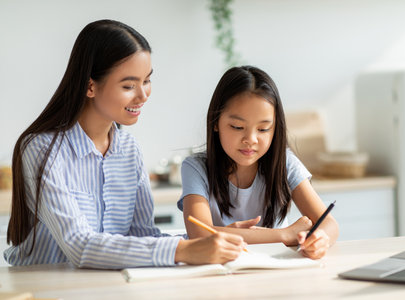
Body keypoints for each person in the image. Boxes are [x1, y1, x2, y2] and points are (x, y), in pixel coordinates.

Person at [4, 19, 246, 269]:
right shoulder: (42, 149)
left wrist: (210, 240)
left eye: (147, 81)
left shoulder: (129, 149)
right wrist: (185, 249)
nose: (143, 95)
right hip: (43, 288)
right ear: (90, 86)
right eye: (129, 85)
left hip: (106, 287)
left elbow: (142, 237)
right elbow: (79, 245)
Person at [177, 66, 339, 259]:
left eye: (263, 129)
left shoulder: (285, 164)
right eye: (237, 127)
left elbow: (329, 224)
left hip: (274, 270)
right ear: (215, 122)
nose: (251, 139)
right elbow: (200, 234)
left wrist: (320, 239)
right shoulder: (196, 168)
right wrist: (285, 234)